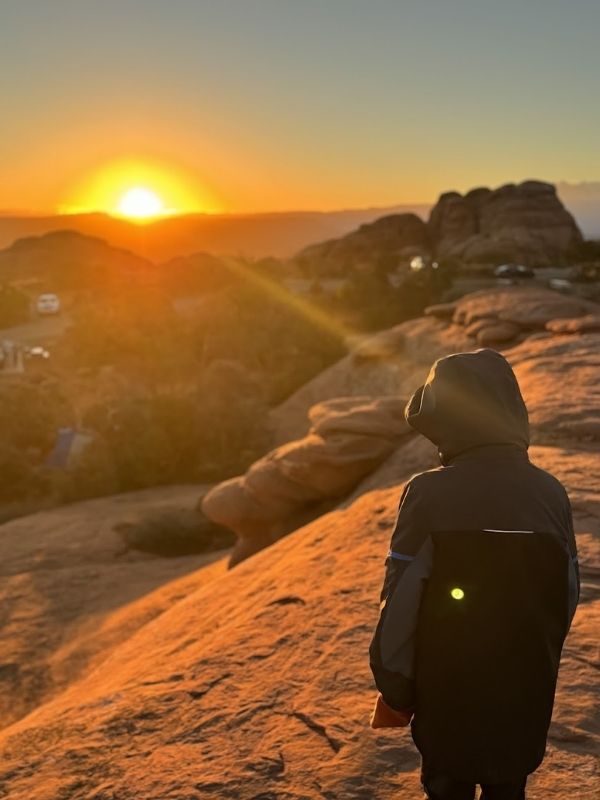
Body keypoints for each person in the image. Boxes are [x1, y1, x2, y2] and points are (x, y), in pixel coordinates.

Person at [368, 349, 579, 800]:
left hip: (448, 699)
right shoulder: (550, 493)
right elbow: (566, 597)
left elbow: (401, 601)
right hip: (525, 693)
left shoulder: (427, 493)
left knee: (447, 787)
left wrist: (396, 688)